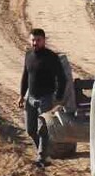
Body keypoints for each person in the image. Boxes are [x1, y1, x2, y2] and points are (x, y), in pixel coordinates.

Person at [18, 27, 67, 167]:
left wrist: (58, 97)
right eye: (33, 40)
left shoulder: (51, 57)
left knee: (42, 129)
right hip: (31, 98)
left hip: (46, 98)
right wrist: (22, 95)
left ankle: (41, 157)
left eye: (38, 40)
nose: (35, 43)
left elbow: (62, 78)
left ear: (44, 40)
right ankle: (43, 152)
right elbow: (25, 76)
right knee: (30, 130)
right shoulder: (28, 55)